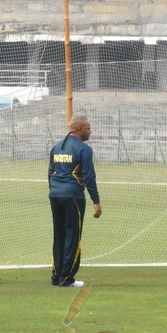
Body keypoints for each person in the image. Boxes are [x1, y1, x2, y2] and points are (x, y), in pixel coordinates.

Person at [48, 115, 102, 288]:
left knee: (59, 235)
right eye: (88, 128)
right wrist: (96, 200)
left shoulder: (57, 147)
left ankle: (56, 276)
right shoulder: (84, 149)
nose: (90, 131)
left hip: (55, 195)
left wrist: (54, 189)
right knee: (73, 236)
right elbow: (89, 176)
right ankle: (67, 278)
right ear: (79, 129)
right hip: (73, 197)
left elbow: (50, 172)